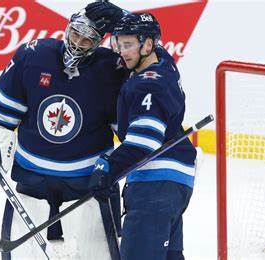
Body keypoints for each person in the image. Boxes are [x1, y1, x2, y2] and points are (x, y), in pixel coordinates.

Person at [0, 2, 126, 259]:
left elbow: (129, 134)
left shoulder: (111, 69)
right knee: (23, 253)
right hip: (33, 177)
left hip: (87, 180)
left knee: (97, 253)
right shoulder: (33, 56)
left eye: (87, 40)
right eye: (75, 33)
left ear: (98, 43)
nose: (78, 42)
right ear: (67, 28)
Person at [89, 12, 197, 260]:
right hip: (175, 183)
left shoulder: (147, 85)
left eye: (128, 45)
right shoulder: (164, 63)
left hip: (155, 187)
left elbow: (143, 144)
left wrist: (107, 168)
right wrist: (121, 15)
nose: (122, 52)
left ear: (148, 45)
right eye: (119, 43)